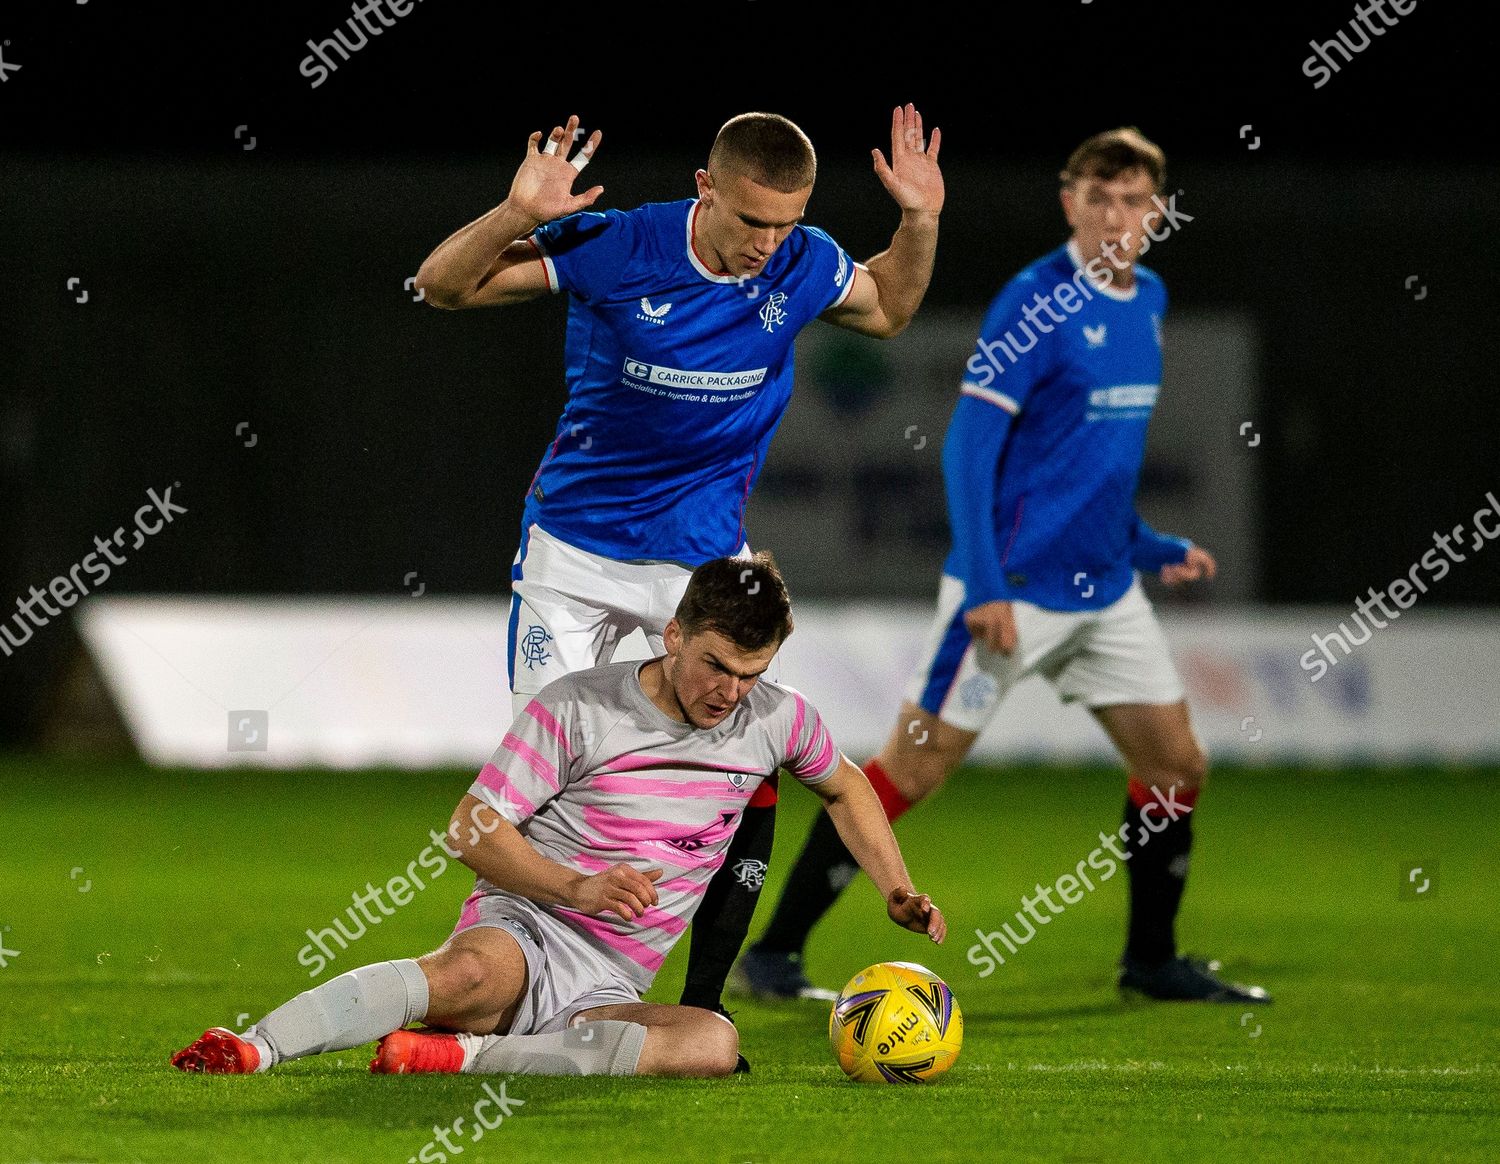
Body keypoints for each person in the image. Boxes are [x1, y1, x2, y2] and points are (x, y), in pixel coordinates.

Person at [408, 107, 944, 1028]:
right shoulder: (622, 247)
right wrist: (510, 213)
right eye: (750, 222)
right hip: (577, 558)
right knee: (567, 778)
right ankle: (500, 982)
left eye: (784, 223)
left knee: (755, 761)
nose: (766, 245)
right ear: (706, 188)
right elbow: (441, 288)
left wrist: (919, 223)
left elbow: (891, 308)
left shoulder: (804, 262)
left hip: (702, 565)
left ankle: (703, 1008)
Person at [739, 127, 1269, 1004]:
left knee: (1176, 765)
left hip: (1106, 594)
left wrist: (1147, 546)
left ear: (1158, 212)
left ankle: (1149, 963)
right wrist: (984, 583)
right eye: (1096, 198)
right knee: (907, 771)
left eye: (1131, 200)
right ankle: (774, 952)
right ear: (1070, 203)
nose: (1114, 216)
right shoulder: (1038, 302)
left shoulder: (1149, 300)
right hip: (1010, 592)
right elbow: (968, 445)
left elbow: (1092, 463)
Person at [171, 554, 945, 1078]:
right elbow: (470, 827)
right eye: (715, 664)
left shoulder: (777, 719)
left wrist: (895, 887)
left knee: (712, 1043)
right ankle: (255, 1046)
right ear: (674, 635)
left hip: (611, 981)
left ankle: (464, 1059)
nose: (730, 692)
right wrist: (574, 888)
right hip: (531, 927)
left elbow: (847, 787)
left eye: (752, 674)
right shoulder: (579, 707)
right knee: (467, 973)